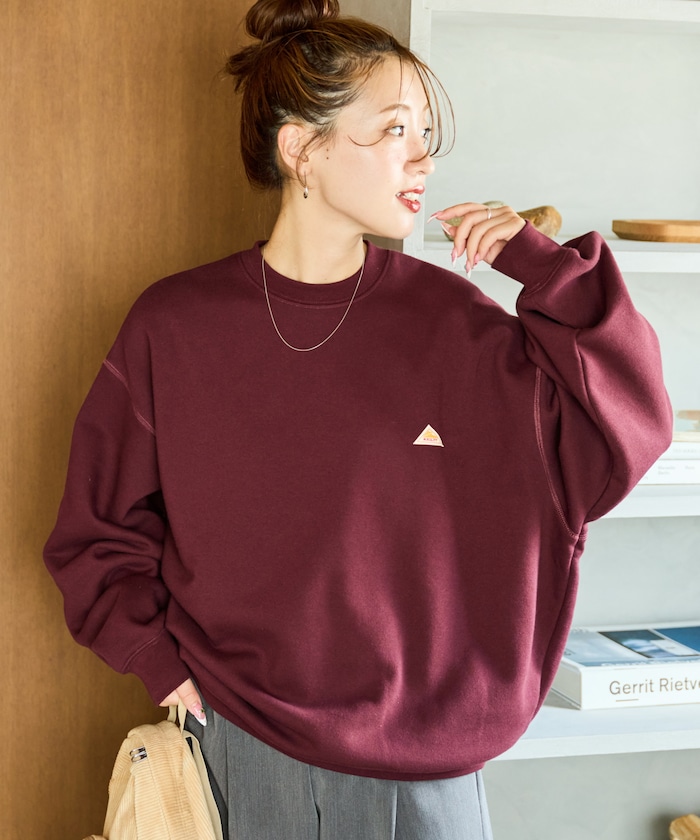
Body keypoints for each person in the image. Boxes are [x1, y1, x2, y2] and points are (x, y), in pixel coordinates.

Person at [44, 0, 673, 837]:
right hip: (241, 750)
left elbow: (622, 431)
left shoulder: (456, 323)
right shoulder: (175, 326)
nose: (423, 158)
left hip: (431, 770)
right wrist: (156, 663)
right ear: (301, 149)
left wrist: (545, 269)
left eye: (425, 135)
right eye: (394, 131)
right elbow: (95, 531)